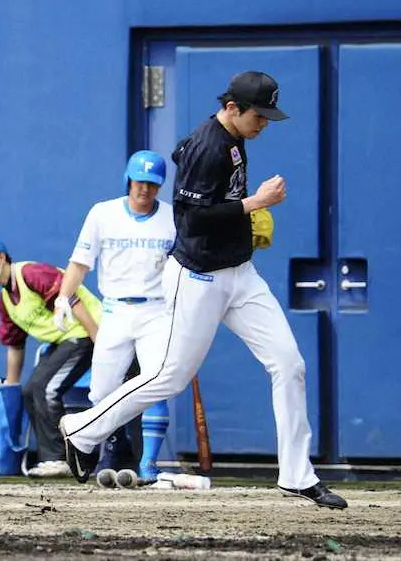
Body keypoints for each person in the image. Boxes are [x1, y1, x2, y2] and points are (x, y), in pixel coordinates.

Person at [58, 71, 347, 509]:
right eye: (259, 115)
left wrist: (243, 216)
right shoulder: (208, 145)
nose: (264, 123)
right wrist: (254, 204)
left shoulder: (231, 139)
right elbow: (190, 218)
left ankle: (296, 474)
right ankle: (82, 429)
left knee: (289, 363)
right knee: (167, 377)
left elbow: (184, 163)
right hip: (198, 277)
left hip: (240, 274)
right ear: (232, 108)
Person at [52, 150, 175, 483]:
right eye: (139, 181)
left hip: (157, 310)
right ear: (128, 179)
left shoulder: (173, 217)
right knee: (101, 389)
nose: (145, 189)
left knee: (156, 380)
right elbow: (80, 261)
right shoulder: (102, 213)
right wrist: (64, 297)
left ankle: (148, 463)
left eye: (152, 184)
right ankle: (108, 449)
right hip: (116, 309)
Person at [0, 235, 101, 478]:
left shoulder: (30, 273)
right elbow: (15, 345)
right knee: (29, 392)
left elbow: (69, 297)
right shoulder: (6, 300)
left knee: (47, 389)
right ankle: (53, 459)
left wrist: (97, 338)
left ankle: (65, 459)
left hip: (84, 333)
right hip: (62, 342)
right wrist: (11, 385)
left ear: (1, 257)